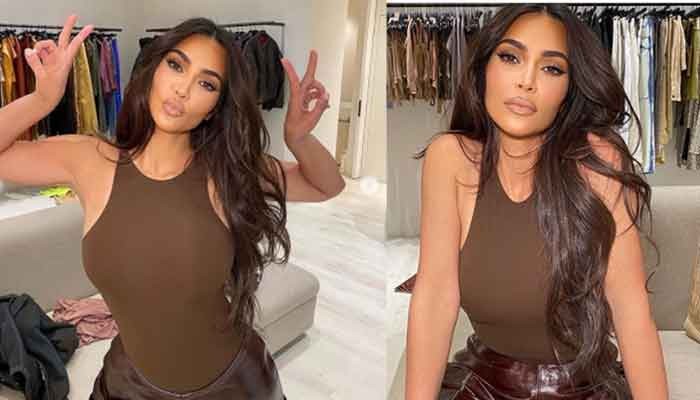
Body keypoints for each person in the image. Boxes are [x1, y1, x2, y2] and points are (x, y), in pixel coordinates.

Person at [0, 14, 344, 400]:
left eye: (206, 83)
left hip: (232, 387)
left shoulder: (227, 169)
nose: (182, 89)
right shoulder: (90, 160)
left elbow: (326, 186)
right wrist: (42, 99)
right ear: (153, 70)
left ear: (213, 107)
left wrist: (299, 139)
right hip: (128, 386)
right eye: (176, 65)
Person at [404, 5, 668, 400]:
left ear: (569, 90)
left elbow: (631, 311)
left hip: (585, 386)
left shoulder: (599, 162)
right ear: (484, 67)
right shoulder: (450, 158)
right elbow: (435, 296)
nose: (526, 81)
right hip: (484, 384)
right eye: (510, 57)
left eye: (551, 68)